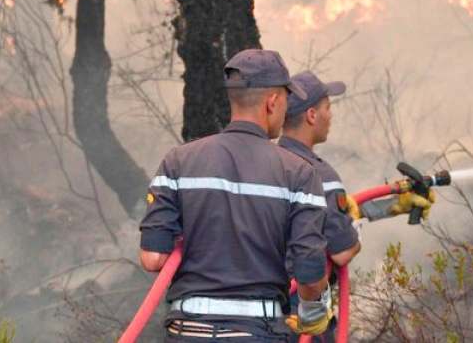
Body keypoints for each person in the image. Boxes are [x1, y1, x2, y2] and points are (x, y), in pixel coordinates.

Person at [139, 50, 333, 343]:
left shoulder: (177, 161)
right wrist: (315, 312)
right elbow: (308, 270)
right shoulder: (300, 173)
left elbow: (153, 258)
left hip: (186, 331)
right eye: (285, 101)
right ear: (273, 102)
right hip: (256, 332)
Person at [279, 70, 435, 342]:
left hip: (261, 315)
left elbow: (311, 219)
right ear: (312, 115)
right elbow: (342, 251)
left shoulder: (267, 165)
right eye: (328, 107)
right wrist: (353, 231)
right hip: (302, 312)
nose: (332, 115)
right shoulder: (318, 174)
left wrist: (386, 207)